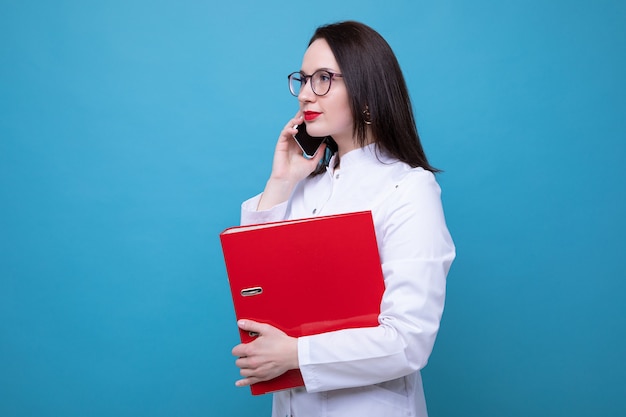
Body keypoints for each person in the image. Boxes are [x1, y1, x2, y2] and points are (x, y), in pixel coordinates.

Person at [231, 21, 455, 417]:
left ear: (366, 92)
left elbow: (408, 341)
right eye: (302, 79)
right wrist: (280, 182)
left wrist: (295, 354)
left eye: (323, 79)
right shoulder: (304, 188)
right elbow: (256, 291)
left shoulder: (408, 188)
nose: (304, 94)